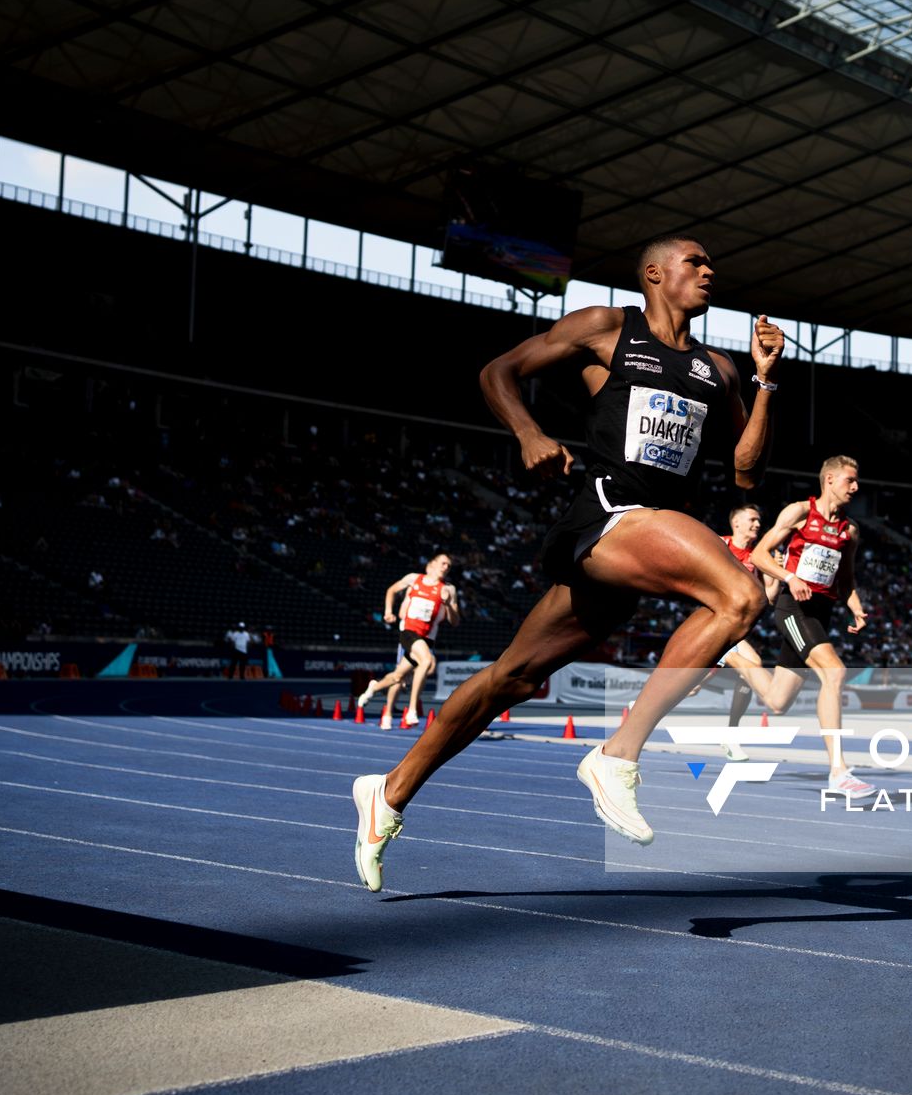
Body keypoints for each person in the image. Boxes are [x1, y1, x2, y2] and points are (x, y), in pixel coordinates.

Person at [350, 235, 782, 890]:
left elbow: (748, 472)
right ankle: (617, 755)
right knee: (741, 598)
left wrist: (765, 378)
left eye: (711, 260)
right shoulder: (608, 328)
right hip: (608, 517)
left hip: (646, 542)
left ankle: (387, 793)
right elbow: (497, 372)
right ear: (655, 273)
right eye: (696, 261)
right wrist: (528, 432)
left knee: (511, 680)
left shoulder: (717, 370)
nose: (709, 269)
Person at [724, 457, 874, 798]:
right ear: (830, 479)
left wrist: (857, 609)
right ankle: (839, 772)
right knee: (834, 673)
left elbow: (846, 580)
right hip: (793, 610)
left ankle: (734, 656)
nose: (856, 487)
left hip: (821, 614)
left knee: (777, 701)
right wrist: (789, 577)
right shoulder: (799, 513)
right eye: (850, 480)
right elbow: (761, 555)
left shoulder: (850, 530)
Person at [690, 503, 779, 763]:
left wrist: (776, 577)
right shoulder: (719, 544)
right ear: (736, 522)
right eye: (752, 519)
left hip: (735, 629)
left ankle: (731, 734)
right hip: (711, 623)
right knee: (751, 665)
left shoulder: (759, 557)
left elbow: (770, 599)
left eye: (759, 521)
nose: (757, 524)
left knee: (693, 686)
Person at [357, 554, 460, 728]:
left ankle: (373, 688)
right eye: (443, 563)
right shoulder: (414, 579)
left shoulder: (449, 589)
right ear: (431, 565)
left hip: (427, 639)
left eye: (449, 566)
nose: (446, 567)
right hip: (409, 633)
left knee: (398, 676)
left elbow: (455, 622)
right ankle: (411, 710)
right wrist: (388, 611)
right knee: (426, 662)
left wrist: (449, 604)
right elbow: (391, 590)